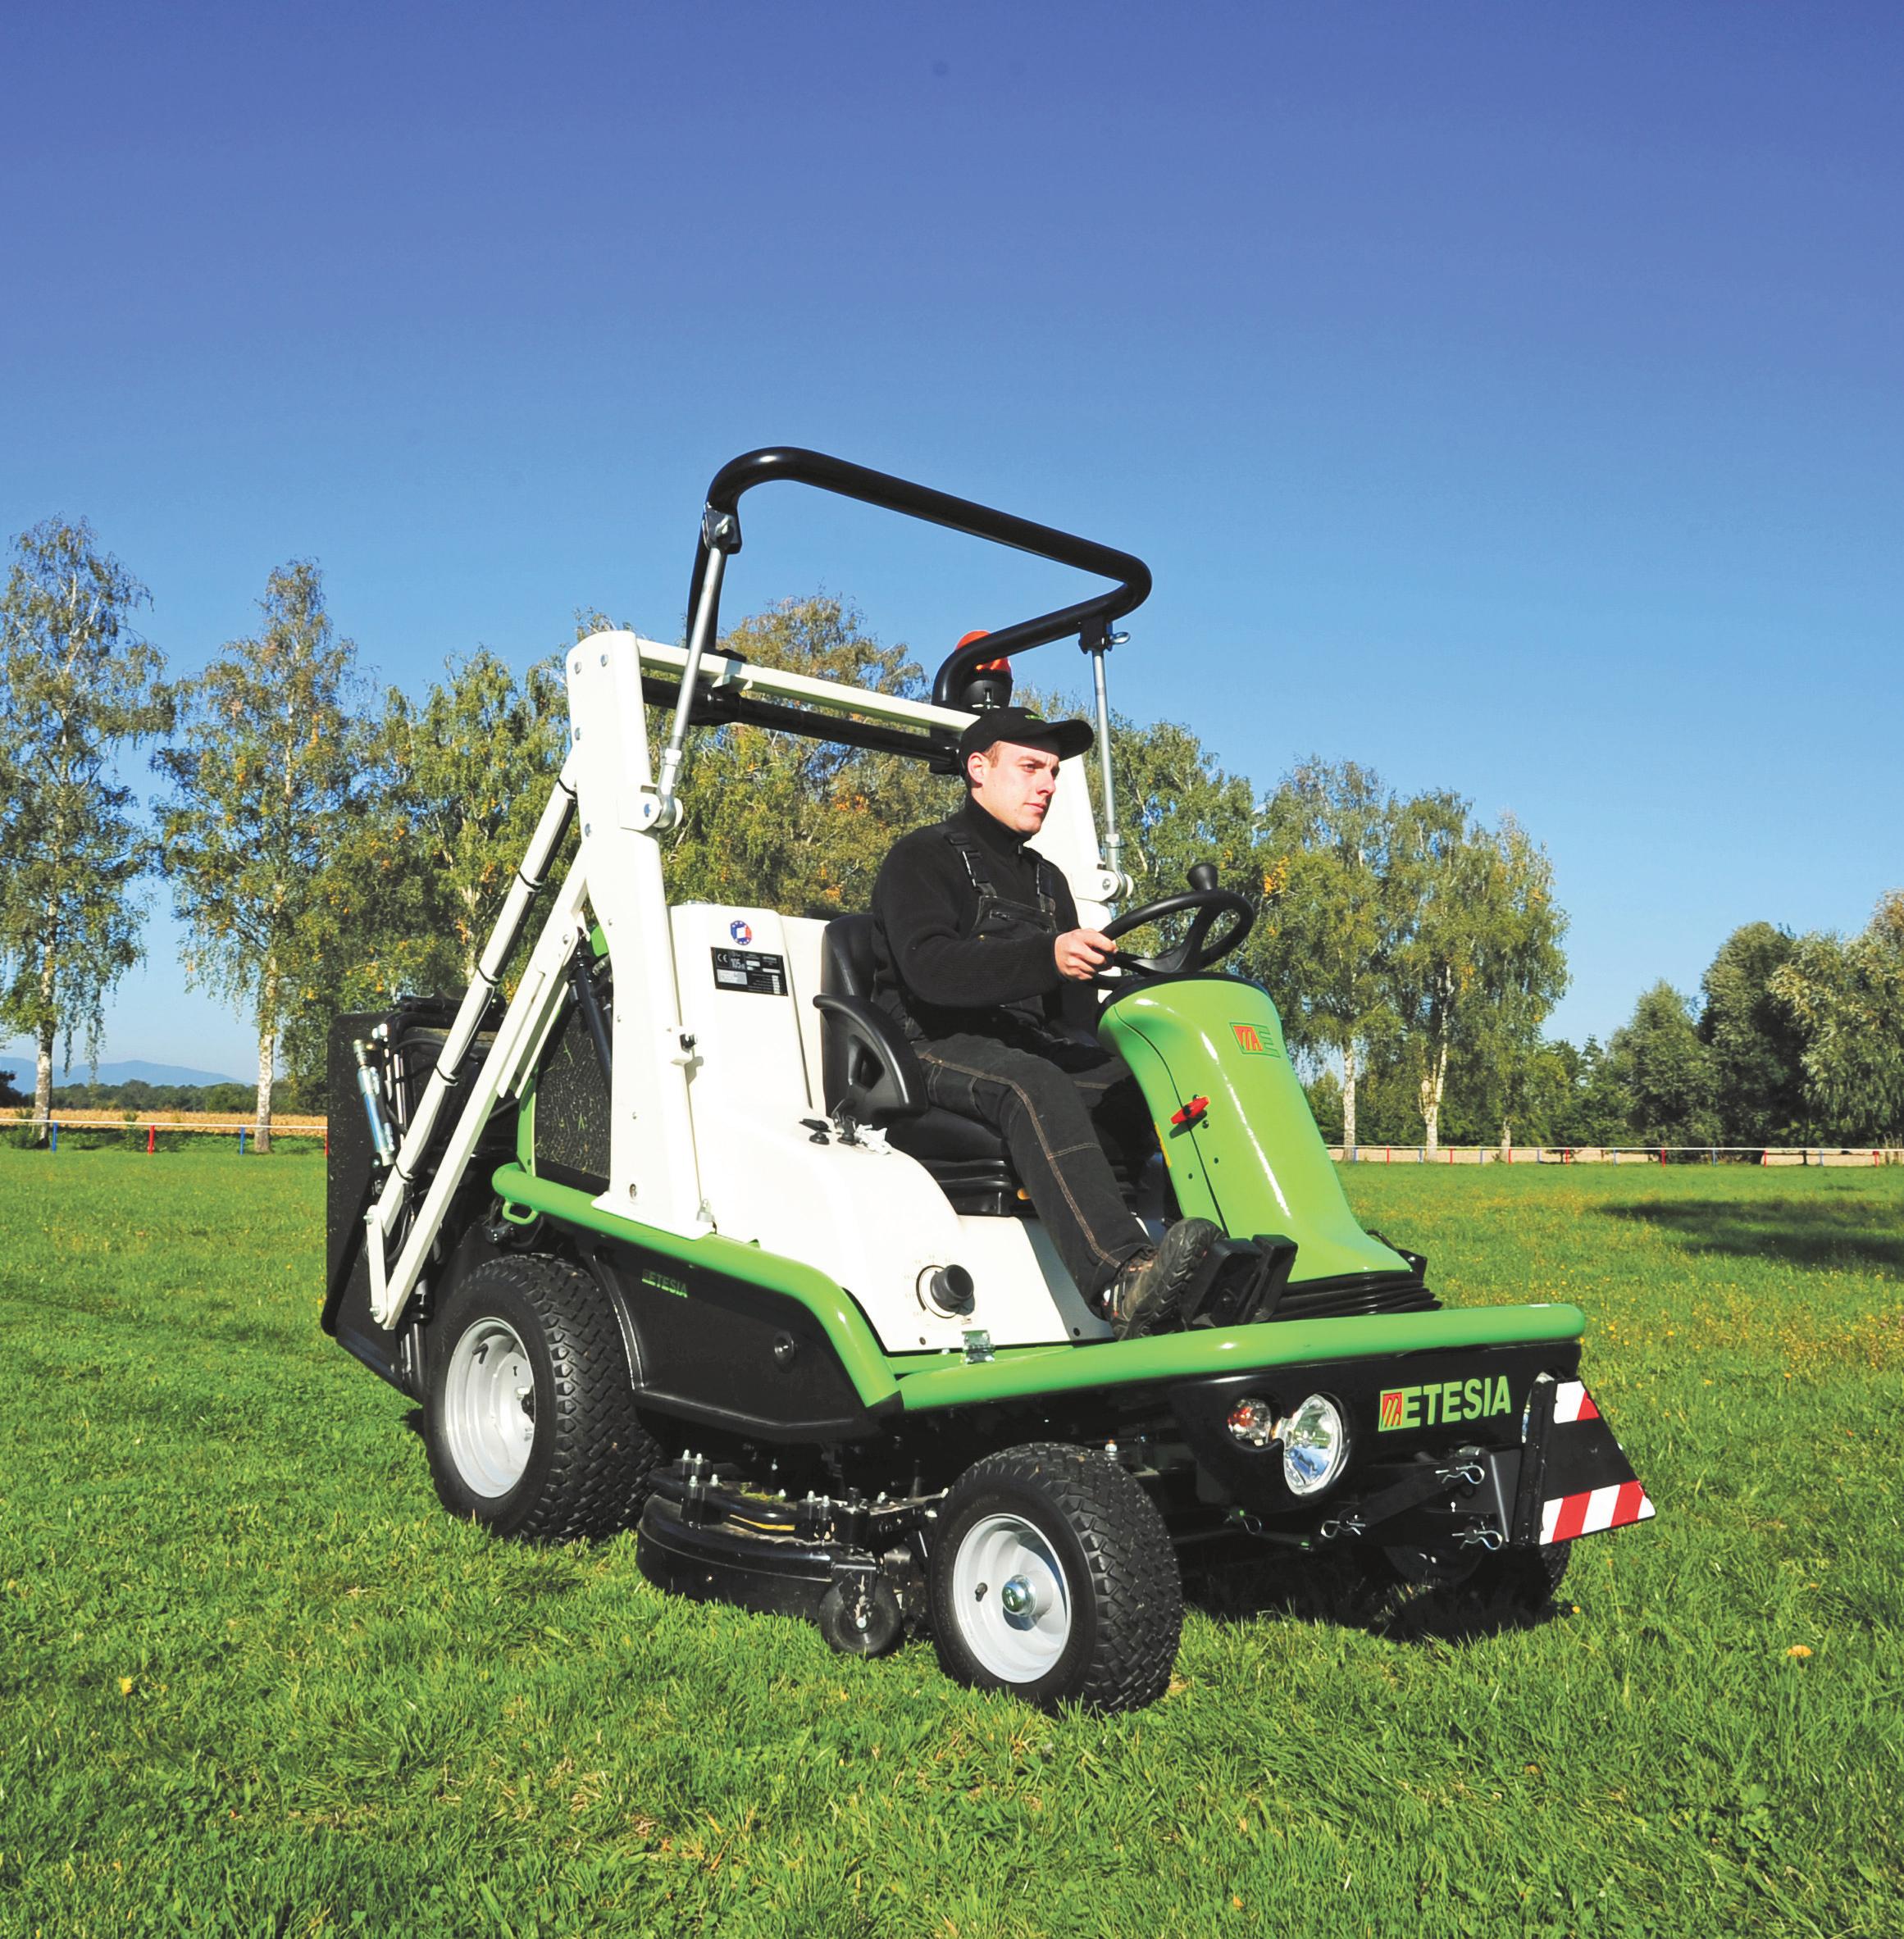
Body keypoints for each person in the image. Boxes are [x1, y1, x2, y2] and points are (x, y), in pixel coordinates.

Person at [870, 702, 1218, 1336]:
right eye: (1031, 767)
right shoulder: (921, 857)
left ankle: (1220, 1255)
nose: (1048, 785)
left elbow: (1072, 1020)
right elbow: (929, 970)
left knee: (1153, 1083)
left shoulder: (1047, 880)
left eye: (1054, 772)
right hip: (930, 1044)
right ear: (979, 768)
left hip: (1023, 1045)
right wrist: (1047, 956)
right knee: (1036, 1083)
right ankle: (1120, 1279)